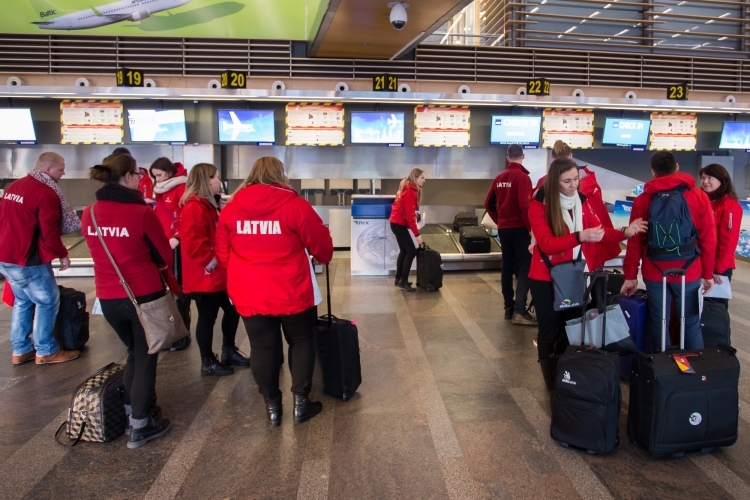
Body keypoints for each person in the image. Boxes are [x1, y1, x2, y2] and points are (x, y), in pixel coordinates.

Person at [215, 156, 333, 426]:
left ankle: (272, 408)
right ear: (281, 175)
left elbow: (222, 253)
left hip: (249, 291)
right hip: (292, 289)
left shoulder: (232, 209)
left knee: (262, 347)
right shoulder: (295, 206)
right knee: (301, 341)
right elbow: (323, 251)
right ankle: (301, 404)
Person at [529, 158, 646, 390]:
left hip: (573, 275)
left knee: (571, 324)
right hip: (545, 277)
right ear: (555, 182)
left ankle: (565, 371)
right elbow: (547, 244)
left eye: (576, 179)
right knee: (549, 328)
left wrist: (625, 232)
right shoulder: (539, 204)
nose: (574, 185)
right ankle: (551, 382)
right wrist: (580, 236)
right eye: (567, 181)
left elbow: (600, 232)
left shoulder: (580, 202)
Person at [82, 153, 172, 449]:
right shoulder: (141, 213)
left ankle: (132, 411)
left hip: (108, 298)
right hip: (142, 296)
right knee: (146, 357)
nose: (140, 178)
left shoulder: (90, 213)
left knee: (134, 352)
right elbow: (164, 256)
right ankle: (141, 425)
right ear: (129, 178)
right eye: (138, 174)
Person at [621, 152, 716, 352]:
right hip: (688, 271)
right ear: (677, 167)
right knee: (690, 322)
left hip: (656, 272)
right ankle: (697, 373)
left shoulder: (643, 200)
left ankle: (662, 372)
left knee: (659, 320)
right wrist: (707, 274)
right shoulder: (698, 196)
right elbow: (708, 238)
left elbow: (635, 241)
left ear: (653, 171)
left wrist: (630, 276)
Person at [0, 152, 80, 365]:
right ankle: (46, 351)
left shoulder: (14, 187)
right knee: (47, 301)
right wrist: (62, 254)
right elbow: (49, 231)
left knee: (23, 300)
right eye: (61, 169)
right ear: (47, 169)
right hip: (28, 258)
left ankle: (20, 349)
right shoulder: (45, 193)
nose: (63, 173)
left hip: (6, 256)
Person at [180, 163, 249, 376]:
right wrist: (213, 261)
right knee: (207, 318)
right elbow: (193, 243)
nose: (220, 181)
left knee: (231, 310)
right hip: (205, 277)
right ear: (207, 180)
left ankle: (228, 349)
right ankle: (207, 360)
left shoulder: (209, 205)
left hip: (217, 275)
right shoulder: (194, 207)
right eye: (217, 177)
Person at [484, 144, 535, 325]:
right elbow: (525, 206)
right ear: (523, 156)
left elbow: (488, 203)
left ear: (507, 157)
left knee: (506, 266)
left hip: (504, 229)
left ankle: (509, 307)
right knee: (524, 267)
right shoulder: (523, 178)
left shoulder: (499, 177)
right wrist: (531, 229)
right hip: (520, 229)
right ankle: (520, 310)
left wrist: (499, 221)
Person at [150, 158, 191, 333]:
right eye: (155, 176)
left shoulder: (181, 187)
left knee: (178, 285)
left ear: (169, 172)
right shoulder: (162, 189)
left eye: (159, 175)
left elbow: (187, 215)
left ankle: (182, 329)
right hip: (165, 240)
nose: (157, 179)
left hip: (176, 242)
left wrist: (178, 236)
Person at [699, 163, 742, 310]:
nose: (705, 182)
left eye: (710, 178)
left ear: (722, 180)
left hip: (718, 267)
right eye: (703, 178)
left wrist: (719, 269)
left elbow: (728, 242)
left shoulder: (730, 206)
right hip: (699, 264)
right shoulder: (700, 201)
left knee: (715, 307)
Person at [389, 168, 425, 292]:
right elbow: (409, 217)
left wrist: (413, 211)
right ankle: (403, 280)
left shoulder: (406, 186)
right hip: (398, 224)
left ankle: (398, 278)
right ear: (416, 178)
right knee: (411, 251)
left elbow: (403, 206)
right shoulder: (411, 190)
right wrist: (417, 235)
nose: (424, 180)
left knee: (404, 251)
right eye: (422, 178)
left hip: (396, 222)